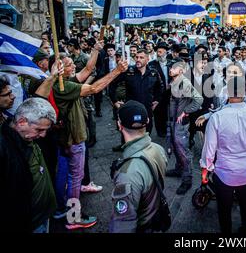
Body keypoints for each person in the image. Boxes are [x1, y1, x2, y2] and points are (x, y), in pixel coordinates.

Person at [49, 51, 128, 230]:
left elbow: (87, 69)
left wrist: (95, 50)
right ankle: (73, 217)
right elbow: (93, 89)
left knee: (63, 174)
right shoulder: (63, 86)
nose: (73, 66)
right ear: (60, 69)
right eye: (69, 64)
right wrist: (117, 71)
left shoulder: (64, 81)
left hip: (65, 138)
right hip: (73, 139)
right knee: (75, 178)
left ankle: (62, 208)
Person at [200, 76, 246, 233]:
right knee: (245, 204)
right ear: (245, 93)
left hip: (225, 171)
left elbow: (209, 149)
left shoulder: (217, 117)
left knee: (224, 208)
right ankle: (245, 229)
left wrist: (206, 169)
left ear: (227, 93)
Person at [109, 101, 168, 233]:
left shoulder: (127, 173)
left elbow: (123, 225)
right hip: (156, 219)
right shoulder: (159, 149)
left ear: (119, 125)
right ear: (147, 121)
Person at [0, 98, 57, 233]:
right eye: (39, 129)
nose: (43, 135)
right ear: (21, 122)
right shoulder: (5, 149)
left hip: (42, 217)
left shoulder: (27, 136)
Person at [166, 59, 203, 195]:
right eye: (170, 67)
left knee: (183, 151)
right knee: (175, 147)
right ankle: (178, 168)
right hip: (172, 121)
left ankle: (187, 179)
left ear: (181, 70)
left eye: (174, 68)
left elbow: (199, 99)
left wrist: (186, 111)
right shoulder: (174, 82)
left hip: (180, 124)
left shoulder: (184, 82)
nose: (170, 69)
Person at [109, 49, 164, 135]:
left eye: (141, 57)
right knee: (128, 134)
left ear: (147, 59)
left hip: (147, 110)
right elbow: (112, 84)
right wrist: (115, 101)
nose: (138, 59)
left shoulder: (153, 73)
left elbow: (159, 88)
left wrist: (157, 100)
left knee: (146, 133)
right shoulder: (128, 71)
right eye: (136, 57)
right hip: (131, 109)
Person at [150, 42, 172, 137]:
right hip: (158, 92)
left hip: (170, 92)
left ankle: (169, 128)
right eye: (157, 52)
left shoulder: (171, 63)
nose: (158, 54)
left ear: (165, 52)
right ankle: (160, 130)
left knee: (169, 111)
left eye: (160, 52)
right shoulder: (152, 64)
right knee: (159, 112)